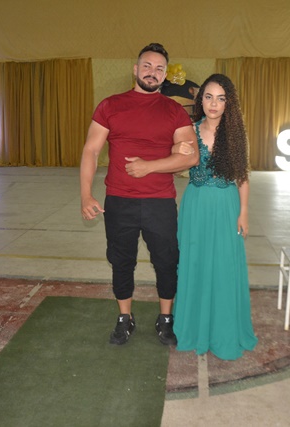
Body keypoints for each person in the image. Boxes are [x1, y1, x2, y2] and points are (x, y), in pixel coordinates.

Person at [80, 42, 199, 346]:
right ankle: (125, 317)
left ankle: (166, 318)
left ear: (165, 75)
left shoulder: (174, 111)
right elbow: (91, 150)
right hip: (119, 201)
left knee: (166, 261)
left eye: (159, 68)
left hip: (160, 201)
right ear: (135, 69)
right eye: (147, 66)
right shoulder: (110, 105)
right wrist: (86, 195)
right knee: (121, 261)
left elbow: (191, 157)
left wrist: (149, 166)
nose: (152, 72)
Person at [172, 74, 258, 360]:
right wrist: (177, 151)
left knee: (224, 266)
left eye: (220, 99)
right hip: (196, 205)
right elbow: (175, 169)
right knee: (194, 263)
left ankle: (224, 332)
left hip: (226, 205)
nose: (213, 104)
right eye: (208, 97)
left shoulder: (235, 135)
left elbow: (242, 176)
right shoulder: (189, 130)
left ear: (228, 103)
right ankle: (193, 329)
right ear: (201, 100)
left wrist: (244, 211)